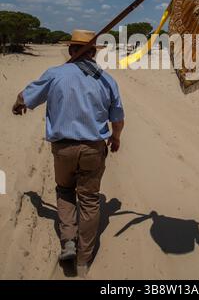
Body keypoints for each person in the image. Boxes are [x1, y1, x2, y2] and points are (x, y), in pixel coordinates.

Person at [12, 29, 125, 277]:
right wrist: (115, 138)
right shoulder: (107, 80)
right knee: (89, 200)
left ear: (72, 51)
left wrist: (18, 104)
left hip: (63, 148)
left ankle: (69, 241)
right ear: (93, 53)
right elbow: (118, 118)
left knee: (64, 191)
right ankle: (84, 259)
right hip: (94, 149)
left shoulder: (56, 74)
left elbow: (27, 95)